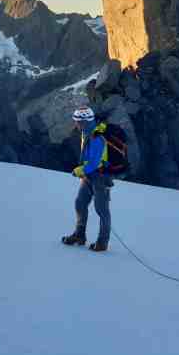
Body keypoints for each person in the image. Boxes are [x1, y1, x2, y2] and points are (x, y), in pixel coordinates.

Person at [62, 106, 113, 252]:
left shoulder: (97, 137)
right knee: (80, 203)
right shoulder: (86, 132)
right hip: (89, 176)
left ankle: (102, 243)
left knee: (101, 210)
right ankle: (79, 235)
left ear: (84, 121)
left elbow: (95, 162)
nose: (75, 124)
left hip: (101, 177)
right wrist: (83, 172)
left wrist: (79, 170)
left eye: (77, 121)